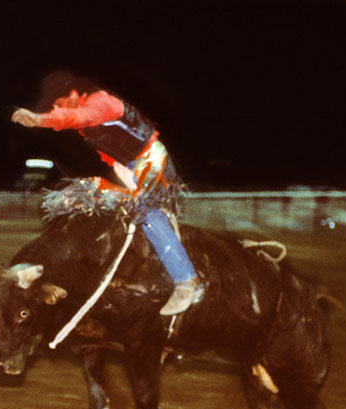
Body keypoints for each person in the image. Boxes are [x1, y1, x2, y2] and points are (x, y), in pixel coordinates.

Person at [11, 86, 204, 315]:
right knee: (83, 194)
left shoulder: (100, 102)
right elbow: (111, 156)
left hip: (152, 158)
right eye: (52, 108)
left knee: (144, 211)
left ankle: (187, 280)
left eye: (58, 104)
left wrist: (41, 119)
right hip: (131, 168)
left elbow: (78, 116)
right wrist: (126, 183)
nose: (56, 109)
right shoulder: (86, 129)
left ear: (73, 95)